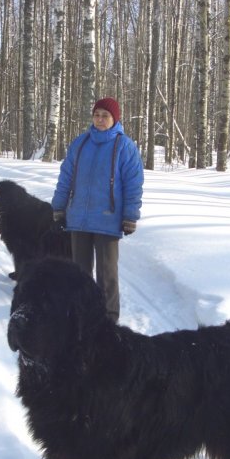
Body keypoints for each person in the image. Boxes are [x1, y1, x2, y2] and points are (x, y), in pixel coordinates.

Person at [52, 97, 144, 322]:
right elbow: (66, 177)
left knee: (107, 276)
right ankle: (79, 316)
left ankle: (108, 320)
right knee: (79, 273)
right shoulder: (80, 143)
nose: (100, 119)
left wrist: (130, 216)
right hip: (79, 220)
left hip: (108, 221)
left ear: (115, 119)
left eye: (105, 115)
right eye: (97, 115)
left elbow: (134, 183)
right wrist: (59, 207)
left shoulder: (125, 146)